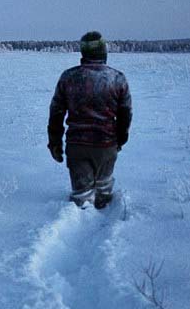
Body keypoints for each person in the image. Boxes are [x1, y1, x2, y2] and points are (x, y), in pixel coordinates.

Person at [48, 31, 132, 208]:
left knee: (81, 199)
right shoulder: (118, 78)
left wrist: (55, 143)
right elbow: (125, 113)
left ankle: (78, 222)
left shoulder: (68, 77)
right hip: (107, 146)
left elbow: (56, 113)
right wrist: (120, 140)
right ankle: (106, 220)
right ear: (103, 52)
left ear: (83, 53)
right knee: (103, 193)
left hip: (77, 147)